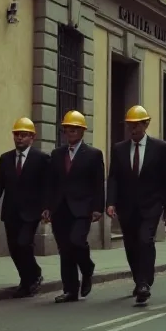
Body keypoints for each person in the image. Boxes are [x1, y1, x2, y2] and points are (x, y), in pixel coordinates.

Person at [106, 105, 166, 306]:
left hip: (151, 205)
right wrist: (110, 202)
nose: (133, 129)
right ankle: (139, 279)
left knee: (145, 240)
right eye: (130, 125)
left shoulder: (160, 148)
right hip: (127, 206)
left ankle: (145, 282)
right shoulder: (119, 149)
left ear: (146, 125)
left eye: (137, 125)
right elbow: (114, 178)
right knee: (130, 244)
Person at [0, 117, 51, 298]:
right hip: (11, 211)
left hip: (31, 212)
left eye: (23, 135)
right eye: (17, 135)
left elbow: (47, 185)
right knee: (14, 248)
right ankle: (27, 280)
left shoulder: (41, 159)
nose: (19, 138)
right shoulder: (5, 158)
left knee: (24, 244)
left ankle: (34, 274)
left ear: (32, 137)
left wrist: (46, 207)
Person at [43, 110, 104, 303]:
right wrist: (47, 206)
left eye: (75, 129)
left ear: (82, 131)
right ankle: (70, 289)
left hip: (82, 208)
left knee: (77, 241)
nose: (71, 132)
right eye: (68, 129)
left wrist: (97, 207)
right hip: (60, 208)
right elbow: (50, 183)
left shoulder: (93, 154)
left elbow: (98, 182)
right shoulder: (56, 154)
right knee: (65, 248)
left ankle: (87, 269)